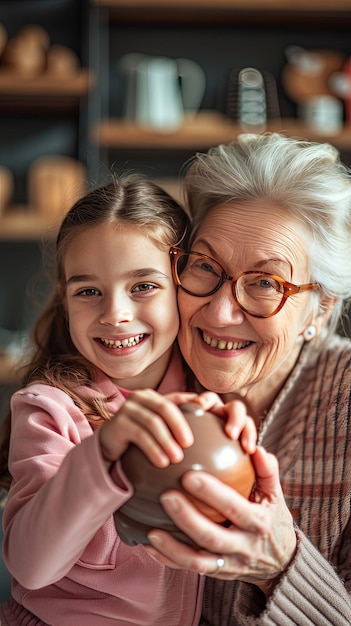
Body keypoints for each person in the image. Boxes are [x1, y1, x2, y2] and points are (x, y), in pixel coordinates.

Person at [0, 172, 256, 626]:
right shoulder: (50, 410)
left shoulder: (213, 399)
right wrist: (100, 454)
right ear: (64, 298)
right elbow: (30, 567)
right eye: (89, 292)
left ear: (184, 285)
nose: (115, 313)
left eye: (143, 286)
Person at [144, 133, 351, 625]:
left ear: (318, 309)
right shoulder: (141, 375)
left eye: (264, 283)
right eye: (205, 267)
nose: (219, 311)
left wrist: (281, 566)